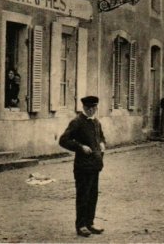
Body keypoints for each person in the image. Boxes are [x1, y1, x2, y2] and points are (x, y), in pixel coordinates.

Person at [59, 96, 106, 238]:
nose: (92, 111)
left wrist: (103, 143)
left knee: (93, 195)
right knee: (83, 196)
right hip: (82, 167)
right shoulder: (77, 122)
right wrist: (80, 147)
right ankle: (81, 225)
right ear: (84, 108)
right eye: (89, 108)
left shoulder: (97, 122)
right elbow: (63, 140)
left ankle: (90, 223)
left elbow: (101, 137)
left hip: (95, 165)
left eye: (94, 108)